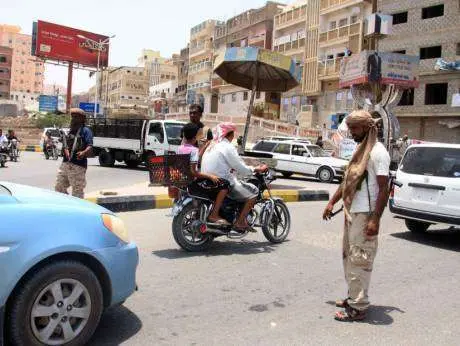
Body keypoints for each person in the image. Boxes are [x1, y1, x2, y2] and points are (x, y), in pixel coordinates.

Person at [323, 110, 390, 322]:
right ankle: (353, 296)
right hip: (352, 212)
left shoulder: (378, 153)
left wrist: (375, 219)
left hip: (365, 214)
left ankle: (358, 307)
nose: (352, 133)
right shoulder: (362, 151)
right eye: (350, 128)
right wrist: (332, 201)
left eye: (355, 128)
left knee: (360, 259)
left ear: (368, 128)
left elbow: (384, 188)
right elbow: (348, 182)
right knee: (349, 257)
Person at [201, 123, 268, 231]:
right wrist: (255, 169)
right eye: (233, 134)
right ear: (230, 134)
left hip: (208, 179)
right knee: (254, 192)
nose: (233, 137)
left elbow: (231, 163)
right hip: (222, 182)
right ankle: (240, 222)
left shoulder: (213, 145)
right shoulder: (227, 147)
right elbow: (240, 166)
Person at [180, 123, 230, 225]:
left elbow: (195, 157)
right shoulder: (193, 150)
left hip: (184, 181)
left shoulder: (181, 148)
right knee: (224, 185)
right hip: (193, 182)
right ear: (195, 137)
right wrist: (210, 176)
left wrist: (205, 145)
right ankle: (214, 215)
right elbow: (194, 172)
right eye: (199, 135)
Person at [55, 108, 93, 198]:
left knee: (77, 191)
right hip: (66, 164)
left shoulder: (86, 131)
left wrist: (83, 152)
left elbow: (90, 146)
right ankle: (66, 205)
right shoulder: (70, 131)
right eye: (72, 117)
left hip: (78, 166)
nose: (73, 119)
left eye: (76, 117)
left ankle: (77, 209)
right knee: (59, 187)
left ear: (82, 119)